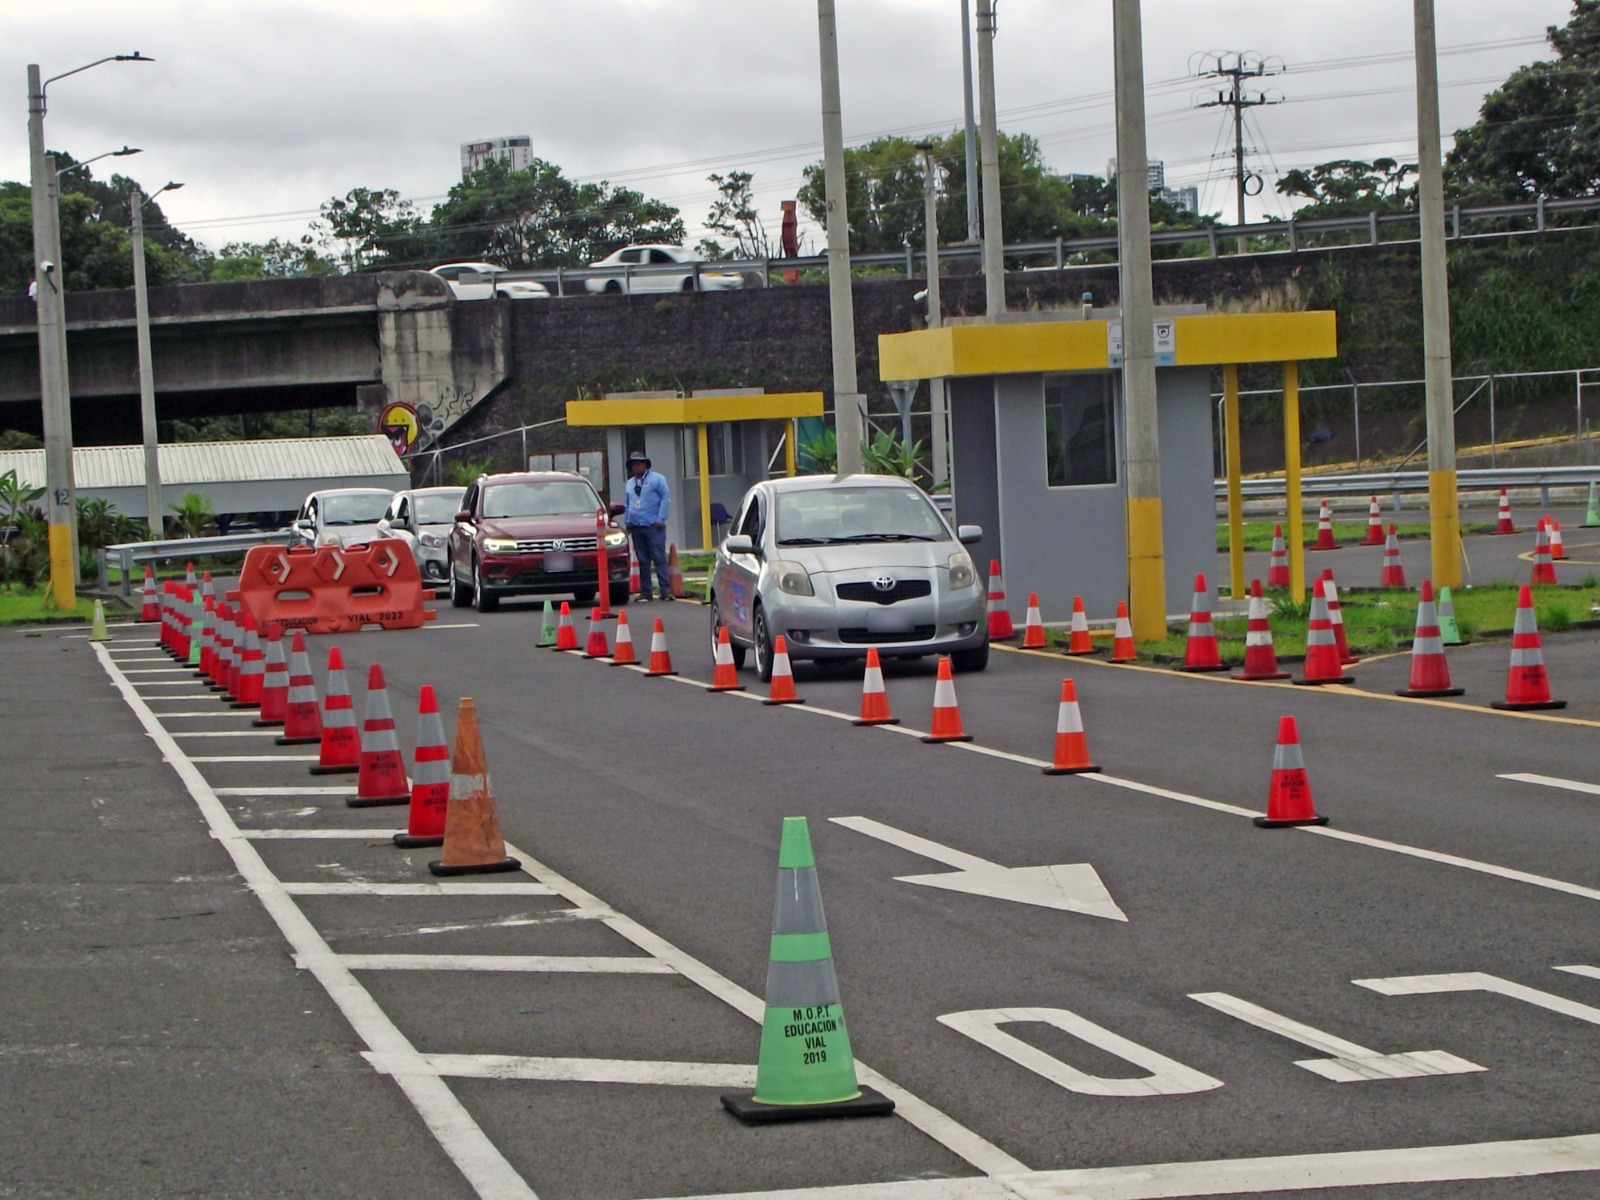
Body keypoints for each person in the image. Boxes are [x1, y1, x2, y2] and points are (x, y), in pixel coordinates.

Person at [623, 450, 671, 600]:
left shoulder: (658, 479)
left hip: (653, 526)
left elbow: (665, 498)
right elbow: (627, 504)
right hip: (636, 526)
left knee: (658, 557)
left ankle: (666, 590)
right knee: (642, 560)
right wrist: (627, 523)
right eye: (634, 465)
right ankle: (646, 591)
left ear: (645, 465)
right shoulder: (630, 484)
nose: (636, 467)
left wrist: (660, 519)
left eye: (639, 464)